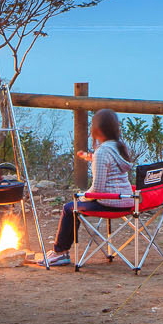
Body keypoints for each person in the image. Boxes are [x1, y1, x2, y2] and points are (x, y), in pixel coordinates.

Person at [44, 108, 135, 267]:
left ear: (97, 130)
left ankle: (60, 253)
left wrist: (82, 196)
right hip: (128, 200)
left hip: (110, 202)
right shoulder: (120, 147)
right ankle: (61, 252)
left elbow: (97, 190)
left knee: (69, 208)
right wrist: (91, 158)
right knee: (75, 204)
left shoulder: (102, 152)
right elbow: (111, 166)